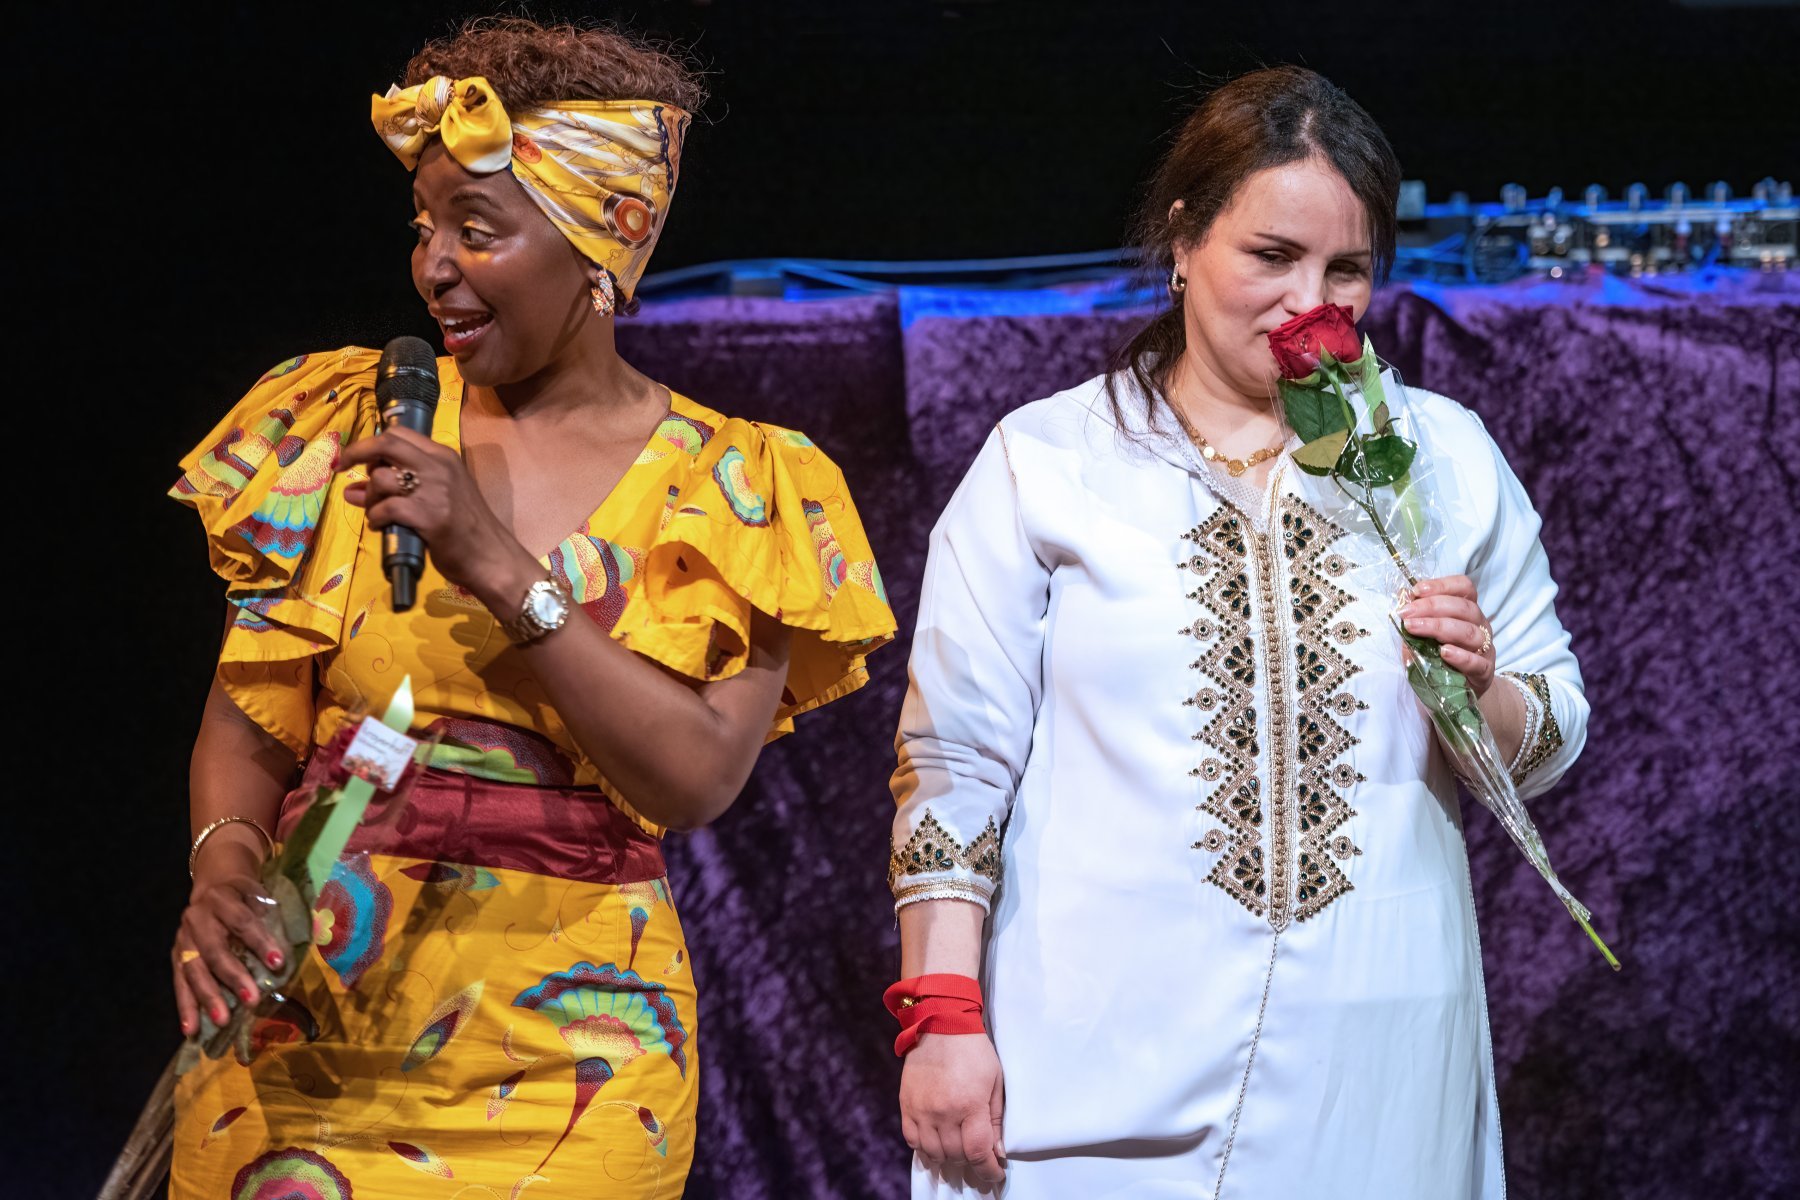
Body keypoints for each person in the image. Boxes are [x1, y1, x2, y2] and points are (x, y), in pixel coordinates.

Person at [167, 19, 893, 1197]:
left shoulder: (737, 484)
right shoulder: (344, 420)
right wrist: (224, 872)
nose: (434, 267)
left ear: (601, 242)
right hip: (304, 1032)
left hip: (574, 1060)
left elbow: (694, 780)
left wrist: (497, 564)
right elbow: (248, 726)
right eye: (424, 227)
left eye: (478, 230)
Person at [887, 65, 1588, 1199]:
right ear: (1183, 241)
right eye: (1272, 255)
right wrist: (943, 1016)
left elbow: (1552, 731)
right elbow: (952, 763)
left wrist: (1480, 690)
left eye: (1347, 269)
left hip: (1373, 1064)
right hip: (1089, 1062)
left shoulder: (1441, 458)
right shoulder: (1048, 462)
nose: (1312, 300)